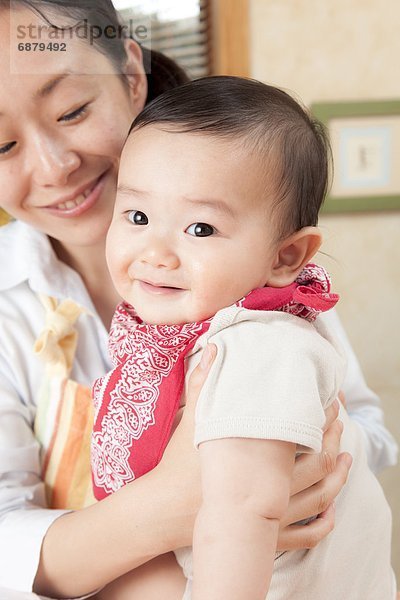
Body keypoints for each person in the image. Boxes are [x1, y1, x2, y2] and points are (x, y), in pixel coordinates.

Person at [0, 0, 396, 598]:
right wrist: (176, 499)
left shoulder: (261, 290)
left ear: (132, 77)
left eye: (73, 110)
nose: (56, 166)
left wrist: (270, 448)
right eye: (2, 146)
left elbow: (366, 433)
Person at [91, 76, 396, 599]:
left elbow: (244, 511)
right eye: (137, 216)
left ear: (285, 258)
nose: (156, 252)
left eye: (201, 229)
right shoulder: (174, 335)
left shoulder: (258, 347)